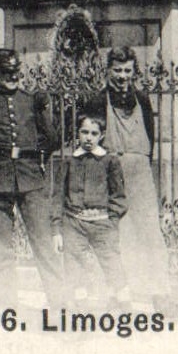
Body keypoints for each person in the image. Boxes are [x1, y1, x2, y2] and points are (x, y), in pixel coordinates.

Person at [0, 47, 63, 313]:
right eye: (6, 73)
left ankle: (59, 303)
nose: (12, 77)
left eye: (15, 72)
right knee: (1, 249)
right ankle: (7, 306)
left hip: (31, 180)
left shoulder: (32, 101)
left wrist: (34, 157)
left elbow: (51, 138)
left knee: (44, 244)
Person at [85, 48, 171, 309]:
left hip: (140, 173)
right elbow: (91, 143)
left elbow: (150, 140)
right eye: (117, 71)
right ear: (108, 71)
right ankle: (117, 296)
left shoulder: (143, 100)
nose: (122, 77)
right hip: (110, 174)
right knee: (113, 236)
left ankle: (161, 295)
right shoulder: (97, 101)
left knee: (150, 234)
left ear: (134, 72)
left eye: (127, 71)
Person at [50, 114, 127, 307]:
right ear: (78, 133)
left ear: (101, 136)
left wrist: (112, 220)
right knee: (74, 267)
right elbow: (57, 196)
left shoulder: (110, 161)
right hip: (74, 223)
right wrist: (57, 230)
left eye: (94, 133)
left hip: (102, 223)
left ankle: (122, 305)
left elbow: (118, 195)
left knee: (112, 263)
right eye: (84, 132)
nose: (88, 137)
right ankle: (80, 310)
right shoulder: (69, 161)